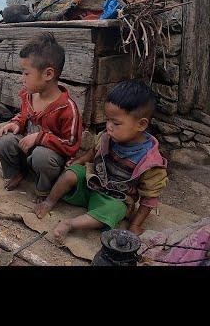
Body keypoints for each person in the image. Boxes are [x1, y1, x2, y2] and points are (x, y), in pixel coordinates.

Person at [33, 80, 168, 244]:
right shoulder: (106, 137)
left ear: (141, 125)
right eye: (108, 120)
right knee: (71, 174)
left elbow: (149, 199)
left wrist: (135, 225)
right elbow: (93, 152)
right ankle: (49, 201)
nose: (109, 126)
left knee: (114, 211)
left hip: (115, 198)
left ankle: (70, 223)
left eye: (116, 123)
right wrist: (79, 161)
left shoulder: (151, 162)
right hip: (93, 183)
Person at [0, 32, 82, 201]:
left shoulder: (67, 108)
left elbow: (71, 146)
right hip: (29, 150)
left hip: (50, 159)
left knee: (42, 156)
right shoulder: (29, 96)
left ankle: (44, 189)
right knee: (5, 139)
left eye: (26, 73)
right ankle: (17, 173)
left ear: (48, 74)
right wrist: (16, 124)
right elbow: (23, 116)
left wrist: (41, 137)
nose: (22, 79)